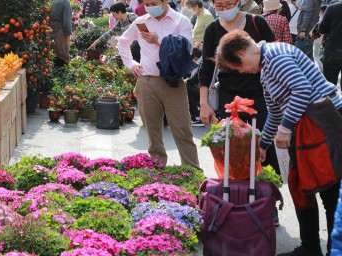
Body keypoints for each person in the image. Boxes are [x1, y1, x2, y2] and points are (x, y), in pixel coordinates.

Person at [216, 29, 342, 256]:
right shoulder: (266, 69)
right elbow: (274, 112)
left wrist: (285, 128)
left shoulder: (275, 57)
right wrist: (262, 145)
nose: (242, 72)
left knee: (328, 188)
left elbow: (302, 89)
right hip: (306, 126)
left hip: (321, 123)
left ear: (241, 54)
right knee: (301, 186)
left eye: (238, 67)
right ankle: (310, 247)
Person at [198, 0, 281, 217]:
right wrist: (204, 104)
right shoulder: (212, 29)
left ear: (238, 2)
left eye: (228, 4)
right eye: (219, 4)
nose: (223, 8)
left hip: (261, 96)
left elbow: (273, 57)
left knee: (264, 148)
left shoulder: (256, 22)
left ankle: (267, 203)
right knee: (231, 150)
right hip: (228, 98)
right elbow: (206, 68)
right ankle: (235, 198)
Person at [116, 0, 200, 168]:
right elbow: (122, 42)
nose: (149, 7)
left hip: (173, 82)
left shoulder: (180, 20)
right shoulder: (141, 21)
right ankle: (157, 170)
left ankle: (193, 172)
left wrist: (159, 40)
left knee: (182, 130)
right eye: (146, 4)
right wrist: (131, 64)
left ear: (164, 2)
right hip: (146, 81)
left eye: (153, 3)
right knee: (152, 132)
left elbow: (187, 50)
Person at [320, 1, 342, 86]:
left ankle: (332, 99)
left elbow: (322, 29)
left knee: (329, 84)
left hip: (333, 49)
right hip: (333, 49)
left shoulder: (332, 7)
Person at [50, 0, 73, 72]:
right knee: (61, 59)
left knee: (50, 58)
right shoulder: (65, 2)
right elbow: (67, 24)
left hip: (47, 31)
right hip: (60, 34)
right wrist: (68, 41)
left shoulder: (48, 2)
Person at [312, 5, 327, 70]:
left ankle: (321, 68)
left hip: (316, 40)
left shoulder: (319, 20)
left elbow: (314, 31)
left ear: (320, 12)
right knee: (319, 55)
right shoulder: (327, 20)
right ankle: (321, 67)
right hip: (323, 41)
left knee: (315, 55)